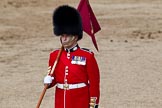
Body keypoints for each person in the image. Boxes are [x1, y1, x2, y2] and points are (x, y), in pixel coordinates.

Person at [43, 5, 100, 108]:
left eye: (67, 35)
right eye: (62, 35)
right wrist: (48, 81)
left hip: (80, 100)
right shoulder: (54, 55)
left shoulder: (87, 56)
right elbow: (54, 78)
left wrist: (93, 104)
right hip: (61, 100)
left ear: (75, 36)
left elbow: (94, 83)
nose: (63, 39)